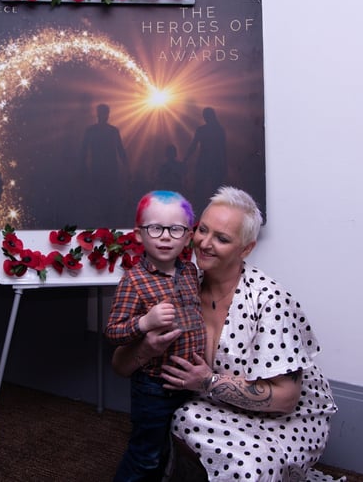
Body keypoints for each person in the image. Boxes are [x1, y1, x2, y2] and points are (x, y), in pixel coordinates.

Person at [112, 186, 337, 481]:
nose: (204, 243)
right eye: (202, 230)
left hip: (287, 418)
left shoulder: (269, 300)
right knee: (180, 417)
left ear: (246, 249)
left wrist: (207, 381)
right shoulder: (183, 283)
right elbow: (120, 365)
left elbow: (286, 399)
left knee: (253, 466)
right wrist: (146, 349)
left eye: (222, 238)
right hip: (215, 404)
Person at [105, 190, 207, 482]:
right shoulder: (133, 281)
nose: (165, 237)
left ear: (188, 237)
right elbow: (113, 331)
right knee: (145, 456)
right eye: (155, 228)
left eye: (175, 229)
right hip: (154, 388)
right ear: (139, 234)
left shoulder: (190, 272)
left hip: (188, 383)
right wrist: (144, 322)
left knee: (172, 451)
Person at [184, 107, 226, 209]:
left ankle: (201, 208)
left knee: (201, 189)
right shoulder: (219, 130)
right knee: (214, 190)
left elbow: (193, 146)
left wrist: (185, 159)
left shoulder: (203, 130)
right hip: (214, 162)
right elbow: (223, 149)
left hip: (205, 162)